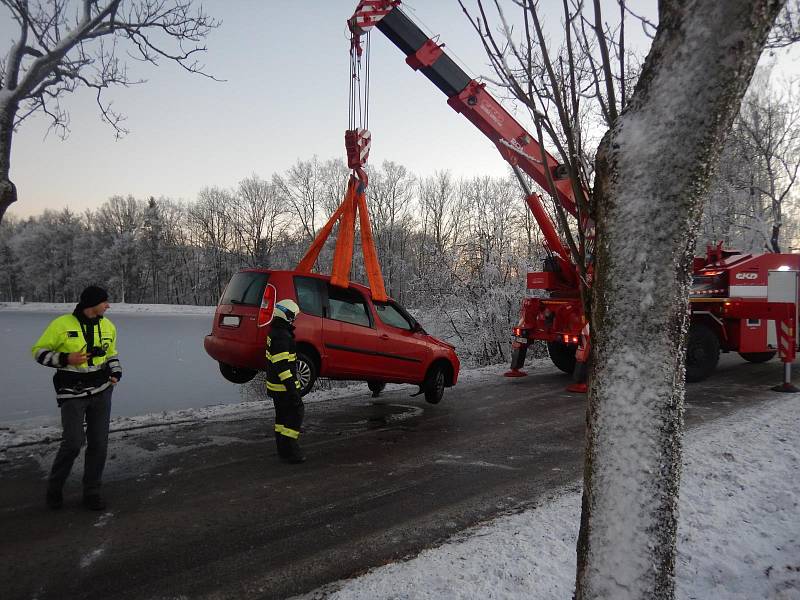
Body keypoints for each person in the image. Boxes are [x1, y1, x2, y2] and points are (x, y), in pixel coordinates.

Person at [32, 285, 122, 510]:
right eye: (104, 302)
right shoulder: (62, 324)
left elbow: (111, 353)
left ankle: (92, 492)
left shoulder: (108, 325)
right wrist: (65, 359)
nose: (108, 305)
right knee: (73, 443)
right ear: (92, 303)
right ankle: (54, 488)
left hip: (101, 393)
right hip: (72, 393)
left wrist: (116, 372)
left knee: (99, 444)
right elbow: (39, 352)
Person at [265, 298, 306, 464]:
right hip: (283, 387)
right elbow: (282, 367)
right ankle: (291, 451)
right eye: (293, 316)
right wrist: (292, 390)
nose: (294, 319)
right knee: (295, 414)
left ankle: (282, 450)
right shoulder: (282, 335)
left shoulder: (276, 331)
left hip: (276, 386)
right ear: (286, 315)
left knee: (281, 418)